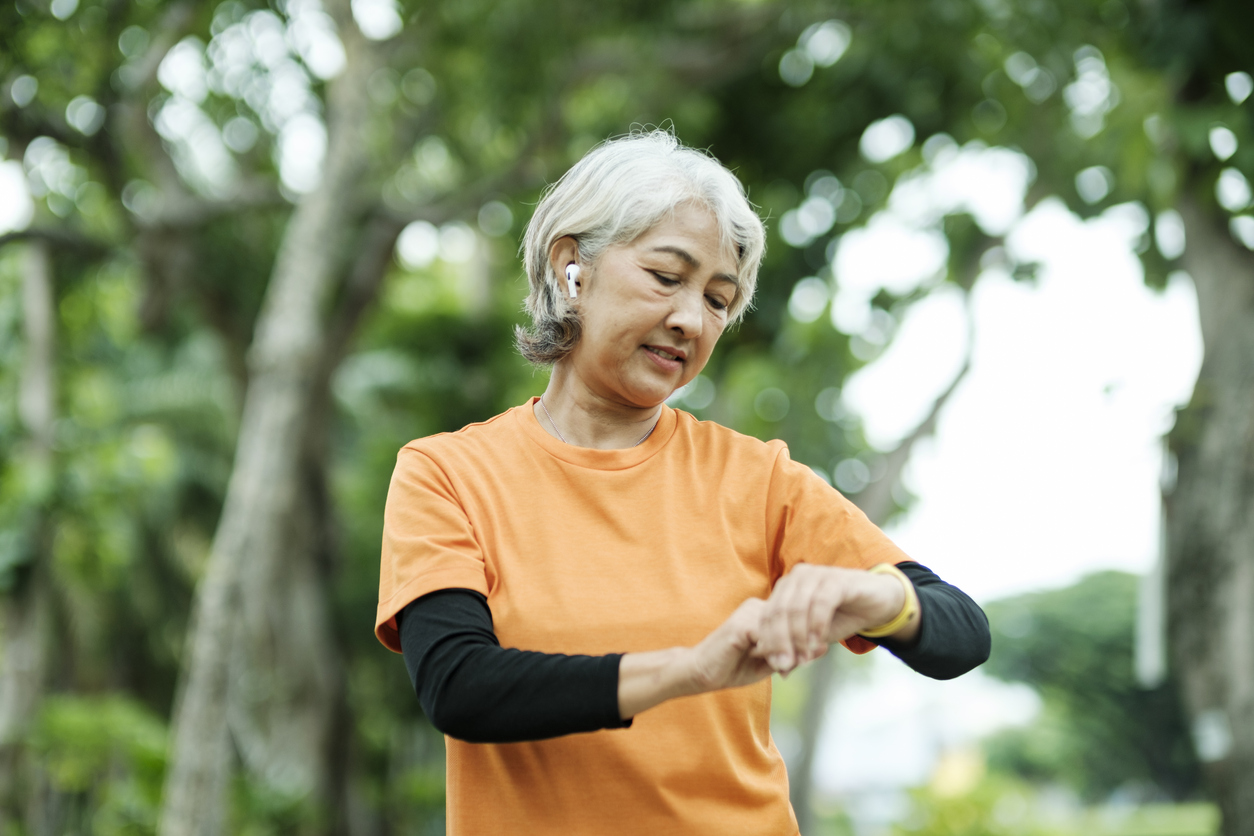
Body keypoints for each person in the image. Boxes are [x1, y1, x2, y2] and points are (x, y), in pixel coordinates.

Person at [374, 130, 989, 835]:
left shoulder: (759, 481)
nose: (690, 320)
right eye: (667, 277)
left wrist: (877, 595)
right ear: (572, 266)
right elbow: (462, 688)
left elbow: (960, 632)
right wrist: (692, 670)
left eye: (719, 300)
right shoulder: (448, 473)